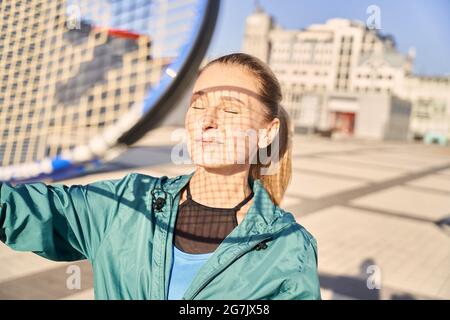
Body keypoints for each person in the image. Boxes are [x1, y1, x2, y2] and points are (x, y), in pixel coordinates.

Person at [0, 53, 321, 300]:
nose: (207, 120)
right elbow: (22, 209)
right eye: (198, 105)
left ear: (267, 133)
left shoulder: (289, 248)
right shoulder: (125, 203)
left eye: (231, 109)